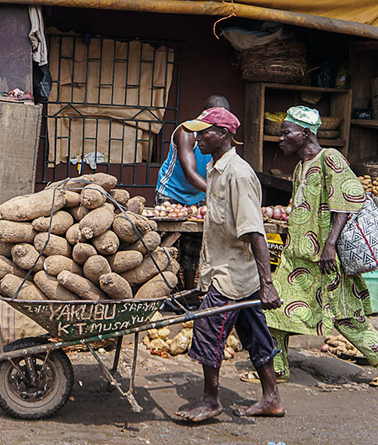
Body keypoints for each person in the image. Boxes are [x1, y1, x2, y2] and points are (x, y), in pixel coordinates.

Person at [249, 106, 378, 383]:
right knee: (274, 311)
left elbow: (346, 202)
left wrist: (330, 245)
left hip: (325, 259)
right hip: (297, 256)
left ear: (305, 132)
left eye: (286, 133)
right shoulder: (300, 168)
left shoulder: (329, 158)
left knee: (347, 318)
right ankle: (278, 369)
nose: (280, 139)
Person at [173, 107, 285, 422]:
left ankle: (211, 400)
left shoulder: (238, 173)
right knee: (254, 332)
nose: (196, 138)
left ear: (222, 135)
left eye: (203, 132)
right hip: (228, 268)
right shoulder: (215, 168)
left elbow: (255, 232)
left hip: (233, 274)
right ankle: (272, 398)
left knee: (208, 328)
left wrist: (267, 284)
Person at [156, 95, 230, 293]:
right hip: (171, 191)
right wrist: (219, 192)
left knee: (193, 246)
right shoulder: (187, 131)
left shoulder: (221, 136)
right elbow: (190, 174)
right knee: (166, 245)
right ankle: (164, 289)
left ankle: (189, 292)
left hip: (198, 195)